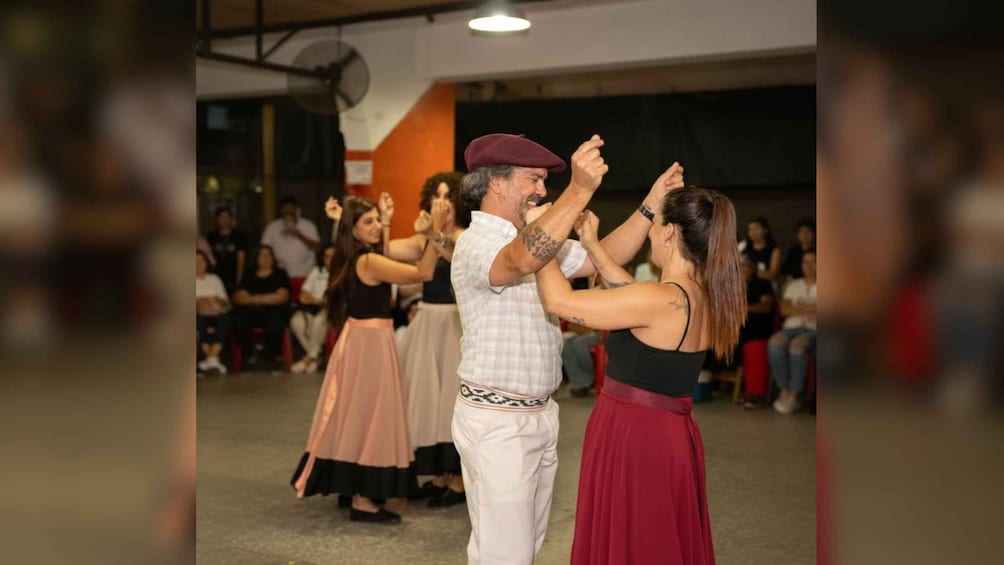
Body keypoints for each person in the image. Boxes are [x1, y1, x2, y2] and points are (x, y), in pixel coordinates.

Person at [451, 132, 684, 564]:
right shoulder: (475, 242)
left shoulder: (537, 238)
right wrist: (578, 190)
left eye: (545, 181)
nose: (542, 190)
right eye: (533, 179)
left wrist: (650, 205)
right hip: (497, 421)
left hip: (540, 413)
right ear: (496, 182)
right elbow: (521, 260)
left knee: (524, 547)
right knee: (506, 554)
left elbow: (602, 257)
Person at [536, 188, 745, 565]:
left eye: (655, 224)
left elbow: (558, 302)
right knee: (652, 535)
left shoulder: (661, 298)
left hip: (636, 436)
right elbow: (631, 294)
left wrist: (539, 240)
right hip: (665, 433)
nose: (650, 233)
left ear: (670, 232)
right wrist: (593, 245)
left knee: (639, 538)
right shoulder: (696, 294)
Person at [291, 194, 442, 525]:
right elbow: (424, 272)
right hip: (370, 342)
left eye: (376, 220)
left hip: (361, 338)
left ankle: (352, 488)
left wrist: (384, 220)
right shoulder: (368, 261)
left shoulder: (354, 257)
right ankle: (363, 500)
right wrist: (436, 231)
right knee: (372, 414)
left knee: (357, 414)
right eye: (368, 221)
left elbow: (380, 255)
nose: (376, 226)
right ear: (354, 229)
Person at [385, 171, 472, 507]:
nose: (441, 203)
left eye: (448, 197)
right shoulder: (423, 238)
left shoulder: (465, 236)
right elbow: (384, 249)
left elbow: (454, 255)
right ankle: (438, 476)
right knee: (428, 400)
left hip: (454, 323)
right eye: (436, 196)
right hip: (427, 322)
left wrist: (433, 231)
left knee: (451, 399)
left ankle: (459, 480)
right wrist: (385, 221)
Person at [768, 249, 817, 414]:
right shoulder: (794, 285)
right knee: (775, 342)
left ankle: (795, 395)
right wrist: (812, 308)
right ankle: (785, 390)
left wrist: (797, 308)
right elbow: (784, 310)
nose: (809, 265)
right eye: (805, 262)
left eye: (813, 261)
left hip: (814, 330)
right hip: (791, 328)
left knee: (797, 345)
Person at [231, 245, 291, 370]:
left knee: (275, 319)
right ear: (256, 258)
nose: (265, 258)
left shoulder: (280, 274)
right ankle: (249, 355)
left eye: (268, 255)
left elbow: (281, 297)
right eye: (262, 255)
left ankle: (275, 355)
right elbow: (239, 298)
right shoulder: (249, 275)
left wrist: (252, 298)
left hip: (274, 311)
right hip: (251, 312)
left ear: (273, 258)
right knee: (239, 320)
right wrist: (268, 298)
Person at [289, 244, 335, 373]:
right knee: (296, 321)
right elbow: (303, 296)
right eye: (327, 257)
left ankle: (309, 358)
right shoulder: (317, 271)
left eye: (333, 257)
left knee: (319, 322)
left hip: (331, 310)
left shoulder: (344, 272)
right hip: (312, 307)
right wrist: (317, 300)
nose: (330, 260)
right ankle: (315, 357)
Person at [739, 253, 777, 409]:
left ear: (754, 268)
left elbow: (766, 307)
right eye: (739, 265)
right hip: (733, 328)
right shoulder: (731, 284)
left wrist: (743, 309)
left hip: (756, 328)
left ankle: (755, 395)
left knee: (754, 343)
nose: (742, 269)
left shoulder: (763, 284)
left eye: (746, 265)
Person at [261, 195, 320, 292]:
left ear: (296, 209)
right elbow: (264, 250)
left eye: (290, 208)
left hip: (305, 274)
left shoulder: (308, 225)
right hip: (280, 275)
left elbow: (316, 247)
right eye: (285, 208)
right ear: (281, 210)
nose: (288, 211)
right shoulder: (272, 227)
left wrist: (300, 236)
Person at [196, 249, 231, 375]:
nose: (199, 264)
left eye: (201, 261)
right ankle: (212, 359)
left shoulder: (214, 279)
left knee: (226, 318)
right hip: (196, 314)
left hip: (215, 313)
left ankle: (211, 358)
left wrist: (216, 300)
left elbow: (226, 303)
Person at [205, 206, 249, 295]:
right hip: (216, 276)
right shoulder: (210, 237)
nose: (224, 219)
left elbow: (241, 258)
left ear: (231, 219)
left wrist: (239, 280)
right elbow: (207, 257)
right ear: (217, 220)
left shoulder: (240, 236)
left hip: (234, 276)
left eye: (227, 217)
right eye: (221, 217)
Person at [739, 216, 781, 283]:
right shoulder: (743, 246)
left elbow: (773, 274)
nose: (753, 232)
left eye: (756, 228)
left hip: (765, 284)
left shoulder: (774, 249)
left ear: (765, 230)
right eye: (750, 229)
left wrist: (752, 271)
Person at [781, 217, 816, 285]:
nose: (804, 235)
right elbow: (785, 271)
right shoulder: (793, 251)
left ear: (814, 233)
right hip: (795, 284)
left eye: (808, 231)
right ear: (797, 235)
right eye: (801, 232)